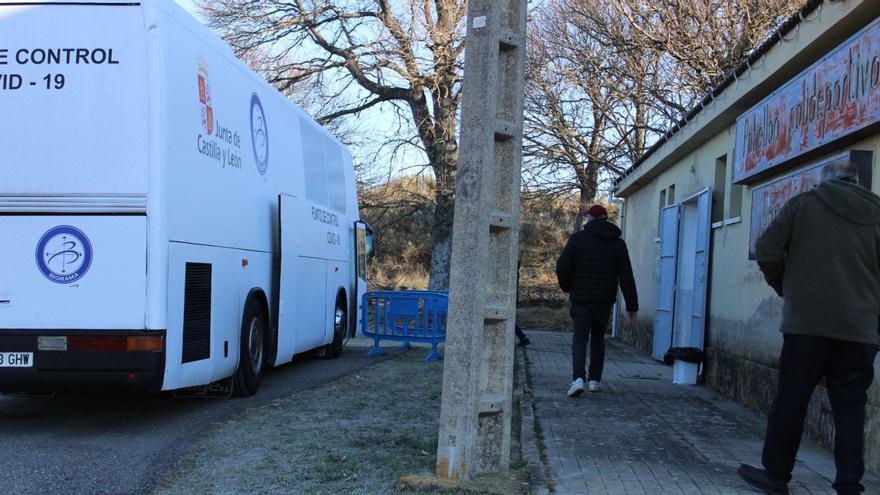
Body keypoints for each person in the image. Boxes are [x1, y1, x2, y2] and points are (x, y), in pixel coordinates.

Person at [740, 160, 880, 495]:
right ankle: (849, 485)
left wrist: (785, 287)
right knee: (850, 408)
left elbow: (767, 250)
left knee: (791, 399)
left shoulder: (803, 204)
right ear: (857, 182)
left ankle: (776, 476)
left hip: (807, 326)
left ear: (824, 181)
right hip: (859, 330)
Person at [555, 204, 638, 397]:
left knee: (580, 337)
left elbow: (562, 268)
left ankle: (577, 379)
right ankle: (594, 380)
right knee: (598, 338)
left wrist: (568, 287)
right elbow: (626, 276)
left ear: (591, 219)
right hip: (604, 300)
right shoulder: (618, 244)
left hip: (581, 299)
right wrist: (632, 306)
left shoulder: (577, 240)